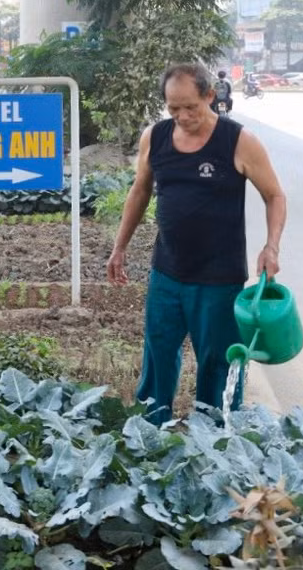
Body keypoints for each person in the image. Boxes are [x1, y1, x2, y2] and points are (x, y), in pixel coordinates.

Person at [106, 64, 287, 425]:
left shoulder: (238, 141)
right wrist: (120, 246)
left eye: (191, 107)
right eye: (173, 108)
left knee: (217, 360)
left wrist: (271, 247)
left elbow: (274, 195)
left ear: (210, 96)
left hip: (219, 278)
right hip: (167, 271)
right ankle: (150, 430)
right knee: (158, 351)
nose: (182, 116)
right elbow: (140, 190)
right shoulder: (154, 138)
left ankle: (217, 433)